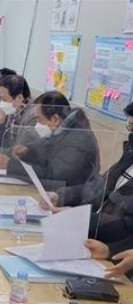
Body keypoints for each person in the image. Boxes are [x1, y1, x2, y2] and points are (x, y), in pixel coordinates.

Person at [39, 102, 133, 243]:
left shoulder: (79, 140)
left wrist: (78, 218)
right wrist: (61, 196)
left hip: (107, 247)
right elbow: (98, 188)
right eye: (130, 127)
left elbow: (128, 228)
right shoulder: (129, 157)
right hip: (89, 236)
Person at [0, 91, 99, 190]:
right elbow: (46, 159)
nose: (36, 124)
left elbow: (52, 175)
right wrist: (28, 153)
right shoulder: (59, 132)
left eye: (39, 119)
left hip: (66, 198)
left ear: (55, 119)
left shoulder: (80, 141)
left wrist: (10, 165)